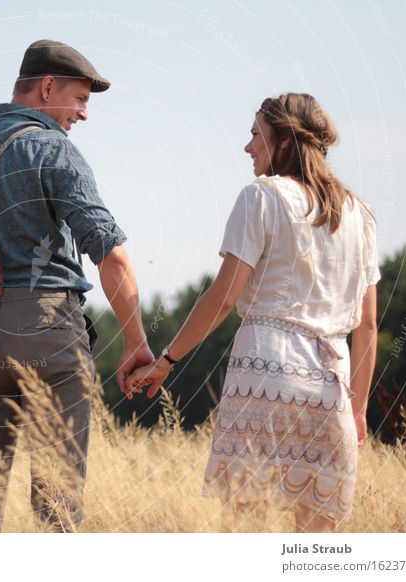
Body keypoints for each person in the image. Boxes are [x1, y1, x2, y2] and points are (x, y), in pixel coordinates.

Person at [0, 39, 153, 532]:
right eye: (81, 99)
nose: (84, 114)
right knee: (57, 504)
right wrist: (136, 341)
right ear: (47, 88)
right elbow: (112, 254)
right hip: (48, 328)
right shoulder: (53, 149)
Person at [127, 93, 380, 533]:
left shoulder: (260, 196)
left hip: (265, 372)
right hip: (333, 386)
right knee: (316, 540)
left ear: (282, 141)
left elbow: (223, 297)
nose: (247, 147)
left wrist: (167, 361)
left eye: (255, 135)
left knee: (246, 529)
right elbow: (370, 324)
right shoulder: (360, 213)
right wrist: (358, 409)